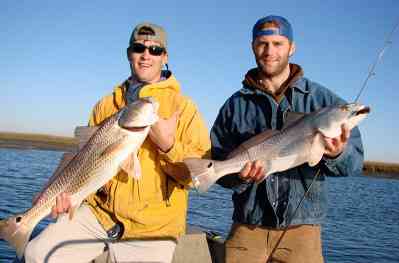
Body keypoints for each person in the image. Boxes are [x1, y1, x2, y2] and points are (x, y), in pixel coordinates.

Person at [25, 22, 210, 263]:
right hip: (99, 215)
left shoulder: (184, 108)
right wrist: (58, 194)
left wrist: (168, 146)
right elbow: (78, 157)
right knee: (37, 253)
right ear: (129, 54)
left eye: (155, 50)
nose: (146, 55)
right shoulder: (105, 105)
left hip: (153, 230)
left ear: (165, 57)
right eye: (138, 48)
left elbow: (198, 176)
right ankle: (24, 224)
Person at [210, 15, 364, 263]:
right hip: (247, 227)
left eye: (278, 43)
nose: (270, 51)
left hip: (303, 233)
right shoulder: (234, 105)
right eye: (262, 43)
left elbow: (355, 163)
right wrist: (239, 177)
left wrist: (336, 154)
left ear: (292, 48)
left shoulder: (323, 100)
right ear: (253, 47)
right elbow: (218, 162)